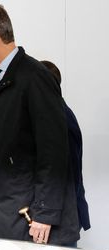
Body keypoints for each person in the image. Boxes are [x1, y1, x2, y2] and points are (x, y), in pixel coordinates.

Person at [0, 4, 79, 245]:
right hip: (5, 216)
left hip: (32, 221)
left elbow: (54, 150)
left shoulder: (35, 77)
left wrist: (45, 213)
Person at [40, 60, 91, 234]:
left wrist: (47, 214)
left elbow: (68, 173)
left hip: (60, 219)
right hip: (58, 215)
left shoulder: (60, 119)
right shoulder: (54, 115)